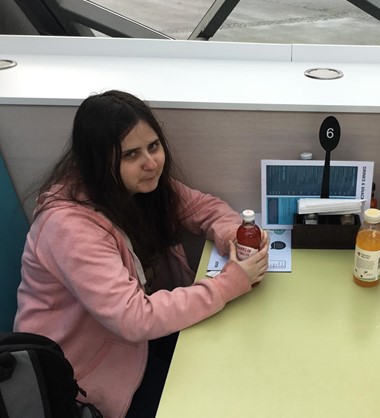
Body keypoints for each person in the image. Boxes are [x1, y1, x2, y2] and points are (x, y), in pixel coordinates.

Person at [14, 90, 269, 418]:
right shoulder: (68, 227)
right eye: (131, 154)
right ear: (98, 161)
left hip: (137, 346)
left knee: (234, 364)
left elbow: (205, 208)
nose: (151, 163)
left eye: (153, 146)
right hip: (86, 381)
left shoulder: (138, 187)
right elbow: (134, 318)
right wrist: (228, 283)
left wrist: (233, 235)